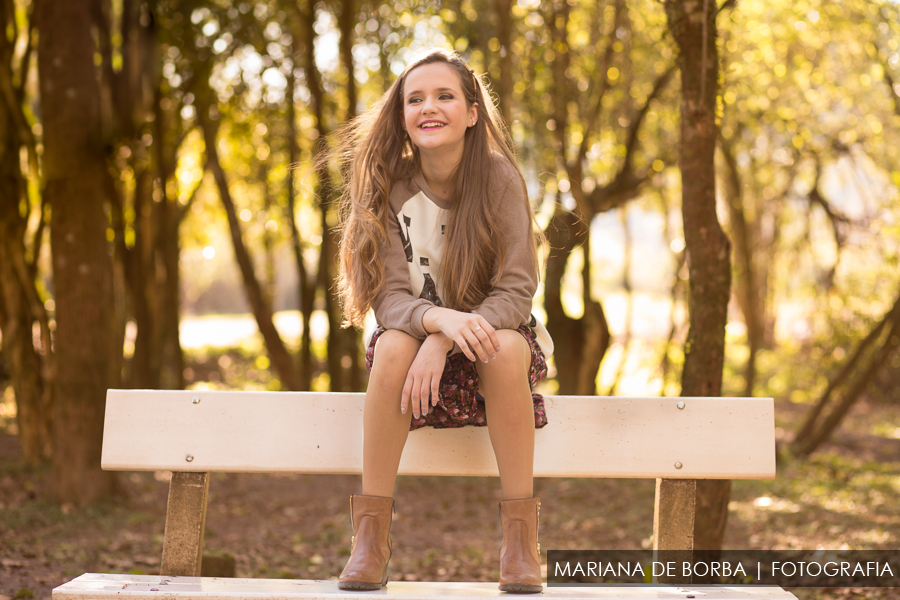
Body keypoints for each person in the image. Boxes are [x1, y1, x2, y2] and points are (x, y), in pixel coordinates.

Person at [332, 47, 553, 593]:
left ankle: (521, 543)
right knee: (391, 346)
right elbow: (388, 299)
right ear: (403, 115)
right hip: (411, 342)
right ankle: (370, 540)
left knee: (502, 348)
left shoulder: (499, 180)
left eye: (445, 96)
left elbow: (517, 289)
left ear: (472, 112)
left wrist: (447, 337)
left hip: (492, 335)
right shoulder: (388, 186)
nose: (429, 107)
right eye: (416, 99)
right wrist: (436, 326)